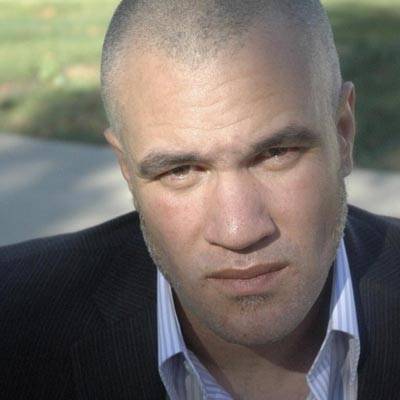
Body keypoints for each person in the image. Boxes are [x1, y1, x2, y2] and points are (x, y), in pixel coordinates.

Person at [1, 1, 399, 399]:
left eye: (276, 154)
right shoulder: (13, 321)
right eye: (180, 170)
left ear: (343, 133)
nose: (238, 231)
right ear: (126, 168)